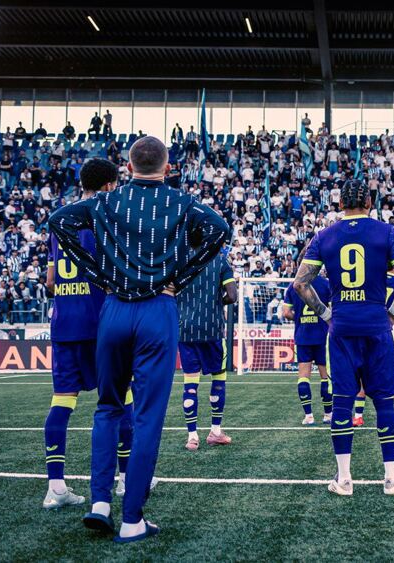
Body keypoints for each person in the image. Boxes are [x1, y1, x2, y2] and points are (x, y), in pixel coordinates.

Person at [50, 137, 230, 542]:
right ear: (168, 167)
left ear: (127, 167)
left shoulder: (106, 200)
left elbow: (59, 220)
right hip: (157, 310)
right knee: (147, 416)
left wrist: (97, 273)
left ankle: (100, 503)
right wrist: (181, 277)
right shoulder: (182, 202)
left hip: (114, 308)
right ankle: (132, 519)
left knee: (107, 407)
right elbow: (221, 230)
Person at [293, 179, 394, 496]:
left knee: (342, 403)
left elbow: (300, 284)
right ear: (369, 203)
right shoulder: (386, 232)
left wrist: (326, 315)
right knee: (384, 403)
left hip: (342, 328)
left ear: (340, 204)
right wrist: (392, 313)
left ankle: (344, 479)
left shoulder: (324, 236)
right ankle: (391, 478)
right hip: (376, 326)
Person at [42, 158, 140, 509]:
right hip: (102, 323)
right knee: (121, 398)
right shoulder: (107, 216)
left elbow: (50, 282)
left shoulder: (60, 220)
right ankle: (126, 479)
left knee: (62, 401)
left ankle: (55, 487)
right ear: (110, 185)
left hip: (65, 323)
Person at [176, 244, 238, 451]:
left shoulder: (180, 261)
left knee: (190, 383)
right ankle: (215, 431)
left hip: (185, 329)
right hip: (212, 329)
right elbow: (232, 296)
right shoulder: (219, 260)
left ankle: (192, 437)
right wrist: (216, 303)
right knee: (218, 380)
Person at [283, 266, 333, 425]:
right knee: (326, 377)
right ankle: (328, 414)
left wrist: (298, 317)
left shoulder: (293, 285)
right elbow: (333, 309)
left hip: (303, 335)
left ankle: (308, 416)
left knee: (303, 376)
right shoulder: (326, 284)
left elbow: (286, 313)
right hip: (323, 335)